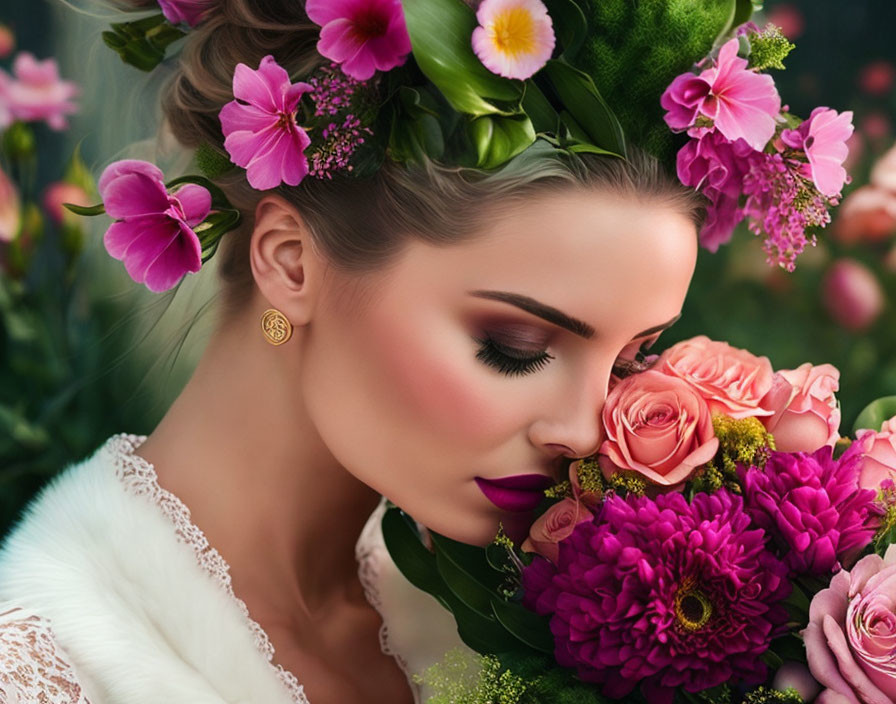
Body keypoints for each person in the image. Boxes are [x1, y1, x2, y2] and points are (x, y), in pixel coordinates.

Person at [0, 1, 760, 702]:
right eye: (516, 347)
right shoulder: (53, 660)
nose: (589, 433)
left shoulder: (499, 608)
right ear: (290, 263)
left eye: (631, 359)